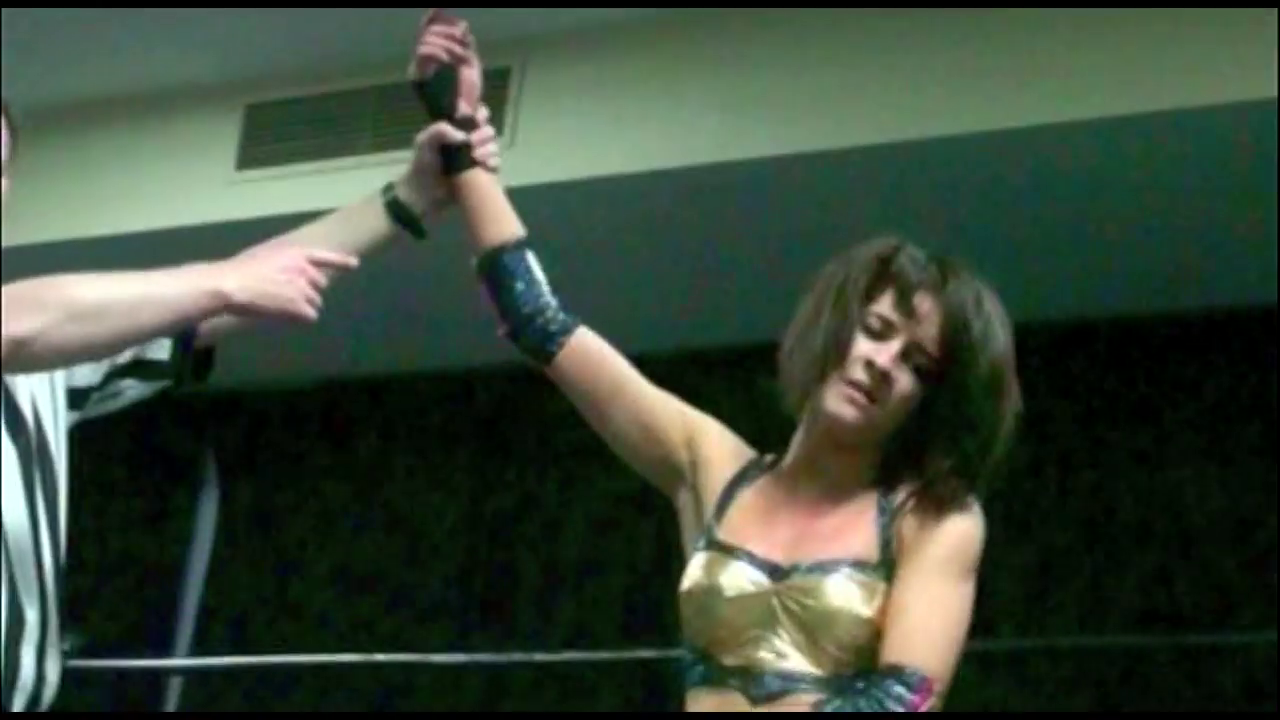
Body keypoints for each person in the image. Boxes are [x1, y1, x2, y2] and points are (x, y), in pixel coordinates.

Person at [412, 16, 1022, 712]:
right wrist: (461, 138)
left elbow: (907, 699)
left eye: (916, 363)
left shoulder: (933, 519)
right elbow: (539, 321)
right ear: (836, 325)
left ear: (930, 398)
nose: (881, 362)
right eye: (876, 330)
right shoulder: (712, 468)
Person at [0, 88, 501, 712]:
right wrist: (221, 282)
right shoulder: (27, 326)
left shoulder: (44, 365)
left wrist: (411, 195)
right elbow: (16, 323)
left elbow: (233, 291)